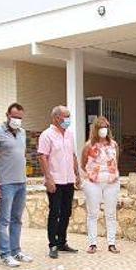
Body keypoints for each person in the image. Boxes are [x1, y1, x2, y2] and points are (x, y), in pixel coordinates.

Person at [0, 103, 33, 267]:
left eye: (20, 118)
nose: (17, 121)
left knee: (17, 219)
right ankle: (5, 253)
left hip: (21, 182)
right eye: (14, 117)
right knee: (4, 220)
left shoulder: (22, 133)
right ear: (7, 115)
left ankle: (16, 250)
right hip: (5, 183)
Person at [37, 105, 82, 259]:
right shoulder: (46, 135)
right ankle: (53, 244)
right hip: (55, 180)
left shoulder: (69, 134)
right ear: (56, 118)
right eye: (66, 116)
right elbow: (42, 157)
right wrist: (48, 178)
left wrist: (77, 174)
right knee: (54, 212)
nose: (68, 120)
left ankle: (62, 241)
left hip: (68, 179)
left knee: (66, 212)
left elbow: (73, 155)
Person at [82, 115, 121, 253]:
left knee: (110, 214)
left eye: (106, 127)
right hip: (93, 182)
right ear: (96, 129)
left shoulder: (114, 145)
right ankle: (92, 243)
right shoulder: (89, 145)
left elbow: (115, 161)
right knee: (93, 213)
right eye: (101, 127)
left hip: (111, 182)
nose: (103, 130)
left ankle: (111, 243)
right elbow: (83, 163)